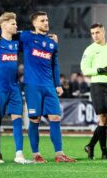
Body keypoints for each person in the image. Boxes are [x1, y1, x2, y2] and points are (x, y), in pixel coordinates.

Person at [20, 11, 75, 162]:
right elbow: (6, 33)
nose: (46, 23)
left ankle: (59, 154)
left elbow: (54, 64)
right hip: (32, 86)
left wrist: (57, 84)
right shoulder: (26, 36)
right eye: (42, 20)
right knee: (35, 120)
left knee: (55, 117)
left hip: (49, 85)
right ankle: (36, 154)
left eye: (47, 20)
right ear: (35, 23)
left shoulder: (52, 42)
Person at [0, 12, 33, 165]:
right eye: (13, 24)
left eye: (16, 23)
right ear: (4, 25)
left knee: (17, 119)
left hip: (14, 87)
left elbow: (30, 38)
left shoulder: (17, 43)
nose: (16, 26)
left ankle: (19, 154)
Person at [80, 22, 107, 159]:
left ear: (103, 32)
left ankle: (90, 146)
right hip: (98, 85)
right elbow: (85, 69)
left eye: (97, 32)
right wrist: (99, 70)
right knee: (103, 118)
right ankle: (104, 153)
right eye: (92, 33)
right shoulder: (89, 50)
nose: (95, 35)